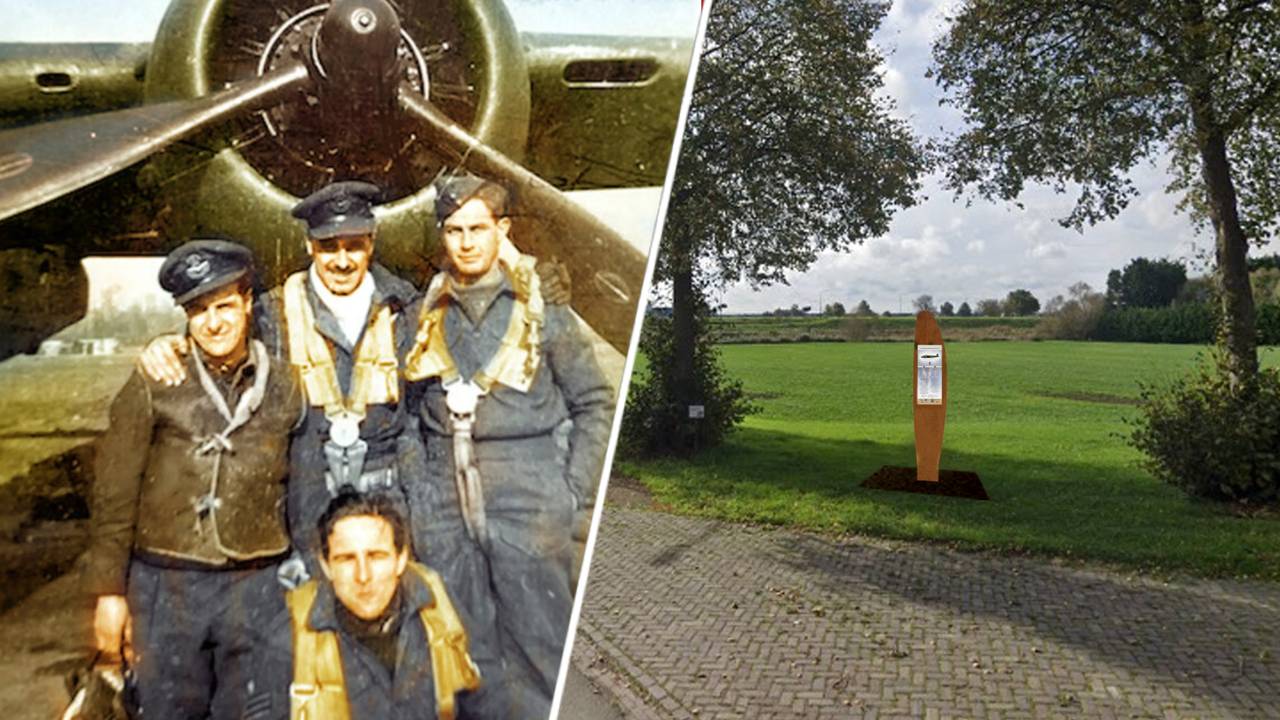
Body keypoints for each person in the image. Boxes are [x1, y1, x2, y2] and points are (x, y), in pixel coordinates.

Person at [403, 173, 616, 715]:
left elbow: (594, 401)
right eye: (454, 230)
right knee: (462, 660)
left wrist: (573, 497)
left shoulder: (543, 304)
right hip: (445, 508)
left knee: (542, 653)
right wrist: (422, 503)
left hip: (529, 497)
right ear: (441, 237)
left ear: (503, 229)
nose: (467, 242)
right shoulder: (417, 315)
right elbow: (404, 416)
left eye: (478, 228)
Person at [84, 238, 302, 718]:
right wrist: (109, 595)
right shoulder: (156, 380)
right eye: (198, 310)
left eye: (225, 305)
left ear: (247, 304)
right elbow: (114, 497)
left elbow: (301, 488)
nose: (214, 322)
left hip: (257, 585)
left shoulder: (285, 386)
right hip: (167, 586)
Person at [220, 491, 491, 719]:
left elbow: (492, 701)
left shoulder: (441, 612)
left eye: (376, 556)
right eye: (347, 559)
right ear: (326, 567)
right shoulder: (289, 639)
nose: (364, 576)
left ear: (401, 559)